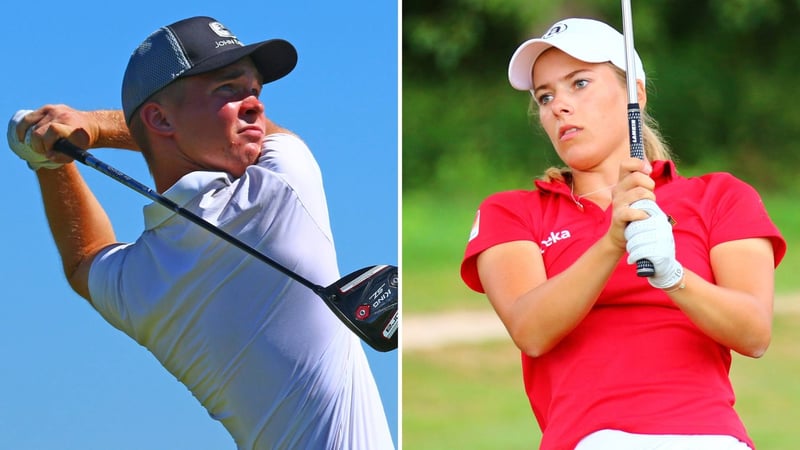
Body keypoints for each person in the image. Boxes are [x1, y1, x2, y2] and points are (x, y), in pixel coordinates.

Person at [8, 16, 393, 450]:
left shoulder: (141, 283)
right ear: (159, 118)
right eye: (227, 89)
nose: (255, 106)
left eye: (255, 90)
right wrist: (92, 128)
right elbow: (86, 260)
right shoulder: (284, 187)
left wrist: (48, 162)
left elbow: (84, 260)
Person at [460, 17, 786, 450]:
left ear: (635, 93)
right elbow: (531, 329)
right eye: (545, 96)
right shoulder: (512, 212)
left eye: (579, 83)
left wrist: (674, 276)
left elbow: (754, 333)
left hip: (710, 437)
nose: (558, 106)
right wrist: (612, 241)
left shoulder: (721, 197)